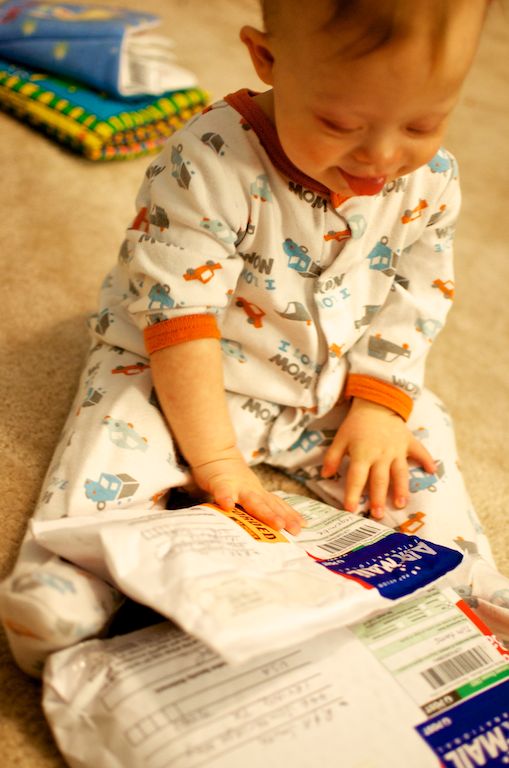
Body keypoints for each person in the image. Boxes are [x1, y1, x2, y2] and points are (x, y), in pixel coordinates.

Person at [2, 0, 507, 677]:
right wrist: (214, 460)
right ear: (267, 59)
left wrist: (380, 405)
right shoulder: (209, 160)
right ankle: (67, 578)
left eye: (423, 122)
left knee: (419, 440)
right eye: (340, 123)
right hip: (184, 365)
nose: (382, 157)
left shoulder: (431, 178)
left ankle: (466, 587)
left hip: (331, 382)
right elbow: (179, 316)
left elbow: (415, 297)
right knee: (115, 427)